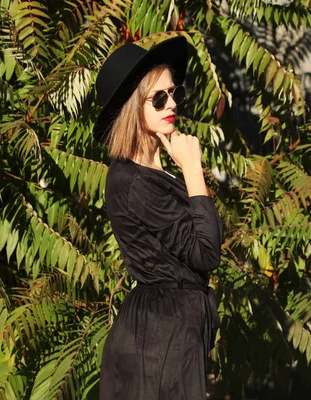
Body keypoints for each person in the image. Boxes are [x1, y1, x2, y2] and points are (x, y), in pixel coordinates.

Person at [93, 36, 223, 399]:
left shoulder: (154, 170)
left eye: (175, 93)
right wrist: (194, 169)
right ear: (133, 107)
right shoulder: (134, 182)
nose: (172, 105)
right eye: (159, 98)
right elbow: (207, 253)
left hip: (169, 334)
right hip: (158, 345)